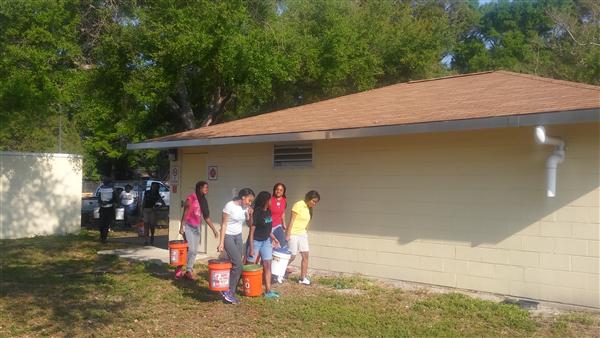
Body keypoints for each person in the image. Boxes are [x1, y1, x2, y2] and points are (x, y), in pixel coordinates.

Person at [217, 188, 255, 304]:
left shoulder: (246, 209)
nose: (250, 203)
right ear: (243, 197)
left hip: (238, 236)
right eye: (249, 200)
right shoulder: (229, 206)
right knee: (237, 264)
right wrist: (221, 242)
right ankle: (229, 292)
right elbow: (223, 224)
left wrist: (250, 214)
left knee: (238, 264)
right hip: (228, 236)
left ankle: (227, 289)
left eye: (251, 201)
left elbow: (250, 224)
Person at [176, 181, 219, 280]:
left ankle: (188, 271)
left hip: (196, 227)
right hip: (188, 226)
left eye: (207, 188)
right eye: (205, 188)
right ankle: (179, 269)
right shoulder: (191, 198)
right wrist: (181, 227)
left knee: (194, 251)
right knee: (191, 249)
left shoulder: (203, 200)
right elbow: (185, 213)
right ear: (199, 188)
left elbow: (206, 217)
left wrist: (214, 229)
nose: (207, 190)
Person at [247, 191, 280, 298]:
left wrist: (274, 238)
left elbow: (268, 229)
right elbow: (251, 232)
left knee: (267, 265)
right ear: (266, 201)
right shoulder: (257, 212)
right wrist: (251, 248)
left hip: (266, 241)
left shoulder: (268, 212)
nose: (272, 202)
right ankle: (239, 284)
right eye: (270, 200)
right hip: (255, 241)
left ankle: (268, 291)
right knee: (248, 265)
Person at [285, 190, 320, 285]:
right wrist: (288, 234)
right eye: (313, 201)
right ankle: (281, 271)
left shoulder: (309, 209)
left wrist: (305, 232)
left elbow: (306, 222)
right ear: (309, 198)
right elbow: (292, 220)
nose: (314, 203)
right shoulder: (299, 204)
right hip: (293, 233)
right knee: (292, 255)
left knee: (305, 255)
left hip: (302, 233)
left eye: (316, 202)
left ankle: (302, 278)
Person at [269, 183, 287, 283]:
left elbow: (283, 213)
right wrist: (267, 225)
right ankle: (269, 271)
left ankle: (278, 273)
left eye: (280, 190)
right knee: (269, 248)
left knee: (282, 247)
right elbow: (267, 213)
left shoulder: (284, 201)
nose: (278, 191)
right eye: (277, 189)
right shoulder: (270, 200)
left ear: (283, 191)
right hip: (269, 226)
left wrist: (284, 223)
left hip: (278, 226)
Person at [97, 177, 116, 244]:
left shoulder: (112, 189)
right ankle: (102, 237)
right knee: (101, 224)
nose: (104, 182)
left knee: (107, 224)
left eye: (105, 181)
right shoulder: (100, 188)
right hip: (102, 208)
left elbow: (114, 199)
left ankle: (104, 238)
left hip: (109, 208)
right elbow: (98, 198)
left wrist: (107, 202)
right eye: (103, 181)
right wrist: (101, 202)